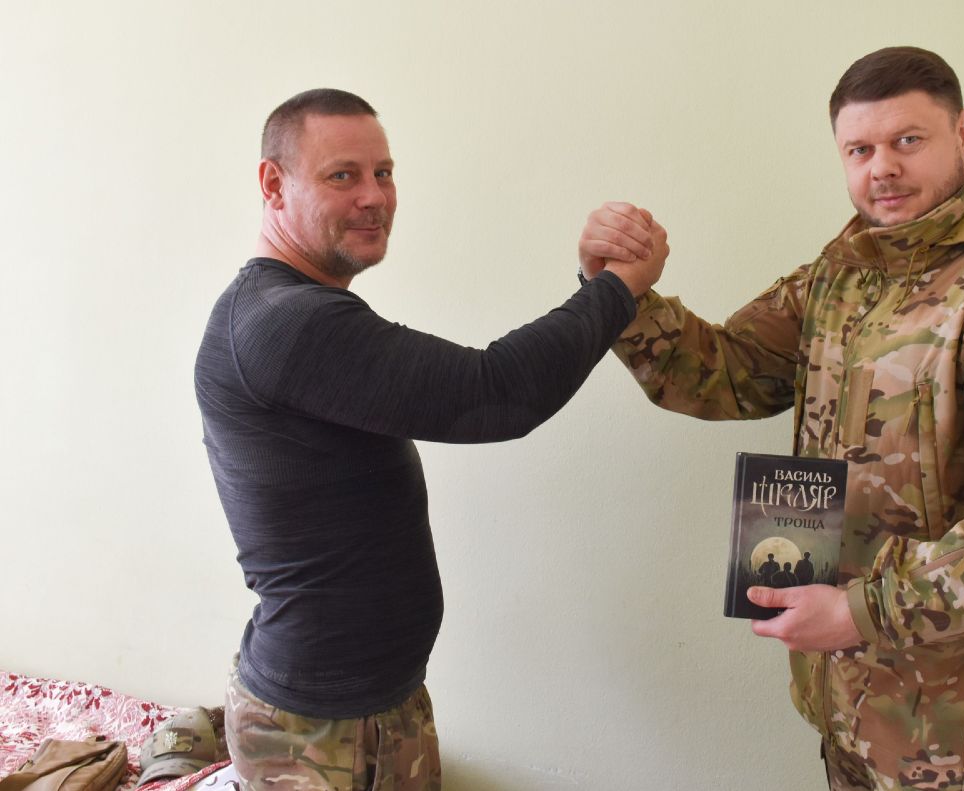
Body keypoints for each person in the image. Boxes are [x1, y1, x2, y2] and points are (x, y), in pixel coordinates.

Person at [578, 47, 964, 791]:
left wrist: (863, 610)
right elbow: (725, 372)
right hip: (849, 698)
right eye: (859, 149)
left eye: (908, 140)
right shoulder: (848, 271)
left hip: (960, 726)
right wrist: (618, 291)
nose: (883, 168)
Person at [194, 88, 666, 791]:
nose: (374, 196)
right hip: (316, 731)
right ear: (273, 184)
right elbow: (496, 392)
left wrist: (600, 286)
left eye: (383, 172)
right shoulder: (286, 322)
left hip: (378, 705)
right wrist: (616, 288)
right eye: (342, 175)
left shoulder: (300, 308)